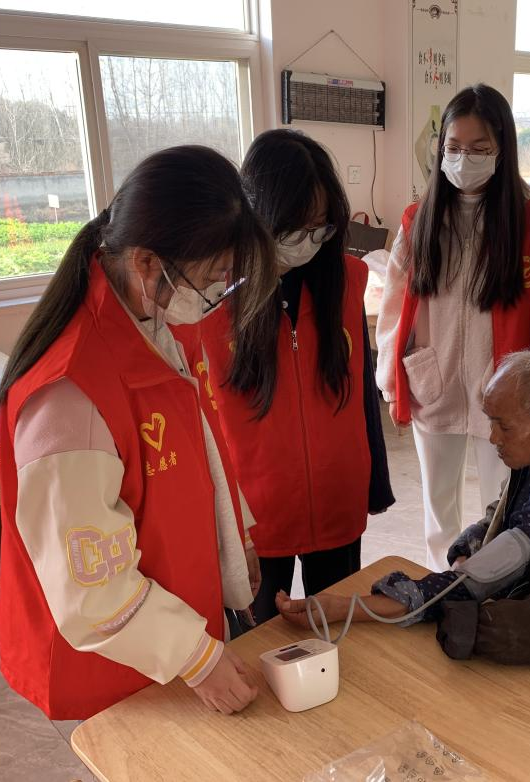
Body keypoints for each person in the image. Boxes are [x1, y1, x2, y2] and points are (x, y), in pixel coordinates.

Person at [0, 146, 277, 720]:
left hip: (171, 624)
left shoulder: (155, 317)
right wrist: (196, 658)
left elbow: (202, 446)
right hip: (118, 658)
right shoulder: (70, 394)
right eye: (211, 280)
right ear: (148, 262)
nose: (214, 298)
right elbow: (90, 595)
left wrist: (234, 536)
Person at [278, 350, 530, 666]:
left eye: (504, 426)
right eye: (491, 422)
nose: (492, 437)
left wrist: (340, 607)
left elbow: (452, 590)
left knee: (483, 629)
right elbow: (504, 509)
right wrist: (471, 544)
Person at [201, 129, 394, 624]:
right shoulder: (213, 300)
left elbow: (360, 394)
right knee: (262, 645)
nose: (308, 242)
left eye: (320, 228)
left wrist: (374, 484)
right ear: (257, 218)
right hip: (257, 516)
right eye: (294, 228)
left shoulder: (346, 282)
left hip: (337, 502)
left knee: (339, 636)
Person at [376, 84, 530, 571]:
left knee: (503, 507)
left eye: (479, 149)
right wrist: (390, 381)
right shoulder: (418, 221)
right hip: (432, 381)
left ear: (503, 151)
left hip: (503, 393)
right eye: (454, 148)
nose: (464, 159)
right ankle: (443, 585)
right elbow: (394, 307)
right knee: (439, 512)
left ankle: (494, 586)